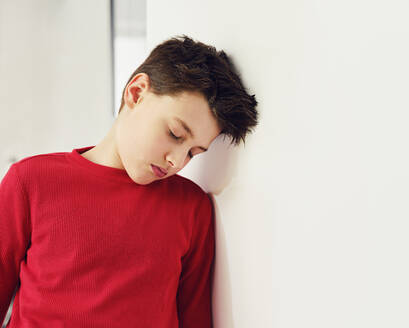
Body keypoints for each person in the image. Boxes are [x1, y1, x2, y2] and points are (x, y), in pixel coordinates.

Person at [0, 35, 258, 328]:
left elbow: (194, 319)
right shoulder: (31, 181)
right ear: (136, 93)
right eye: (175, 134)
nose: (177, 161)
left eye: (193, 152)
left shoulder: (192, 207)